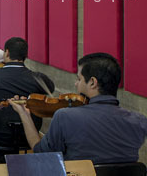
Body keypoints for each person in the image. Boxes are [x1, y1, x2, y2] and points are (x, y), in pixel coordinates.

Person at [10, 52, 147, 164]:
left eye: (79, 79)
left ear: (92, 82)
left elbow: (41, 153)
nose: (76, 84)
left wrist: (25, 115)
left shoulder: (65, 116)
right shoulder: (140, 121)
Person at [0, 37, 54, 148]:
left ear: (7, 52)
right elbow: (51, 88)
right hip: (30, 137)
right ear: (25, 55)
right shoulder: (38, 78)